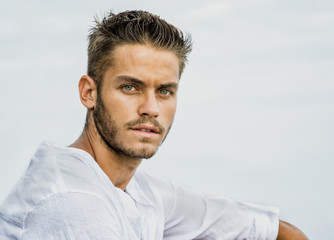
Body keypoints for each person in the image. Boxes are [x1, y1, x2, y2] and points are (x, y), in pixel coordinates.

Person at [0, 10, 307, 239]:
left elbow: (272, 230)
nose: (151, 109)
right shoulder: (72, 202)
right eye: (130, 87)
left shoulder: (137, 189)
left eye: (164, 91)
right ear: (89, 92)